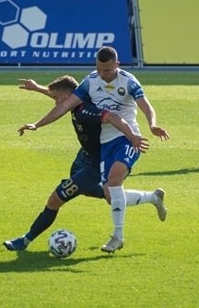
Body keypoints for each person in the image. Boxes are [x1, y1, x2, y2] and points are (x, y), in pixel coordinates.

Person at [17, 46, 170, 253]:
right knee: (110, 194)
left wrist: (151, 125)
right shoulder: (90, 81)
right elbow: (63, 102)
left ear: (117, 65)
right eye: (99, 69)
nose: (102, 74)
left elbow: (144, 106)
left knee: (113, 181)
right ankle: (153, 197)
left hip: (128, 137)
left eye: (107, 70)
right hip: (103, 144)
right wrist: (38, 122)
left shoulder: (128, 82)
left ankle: (117, 236)